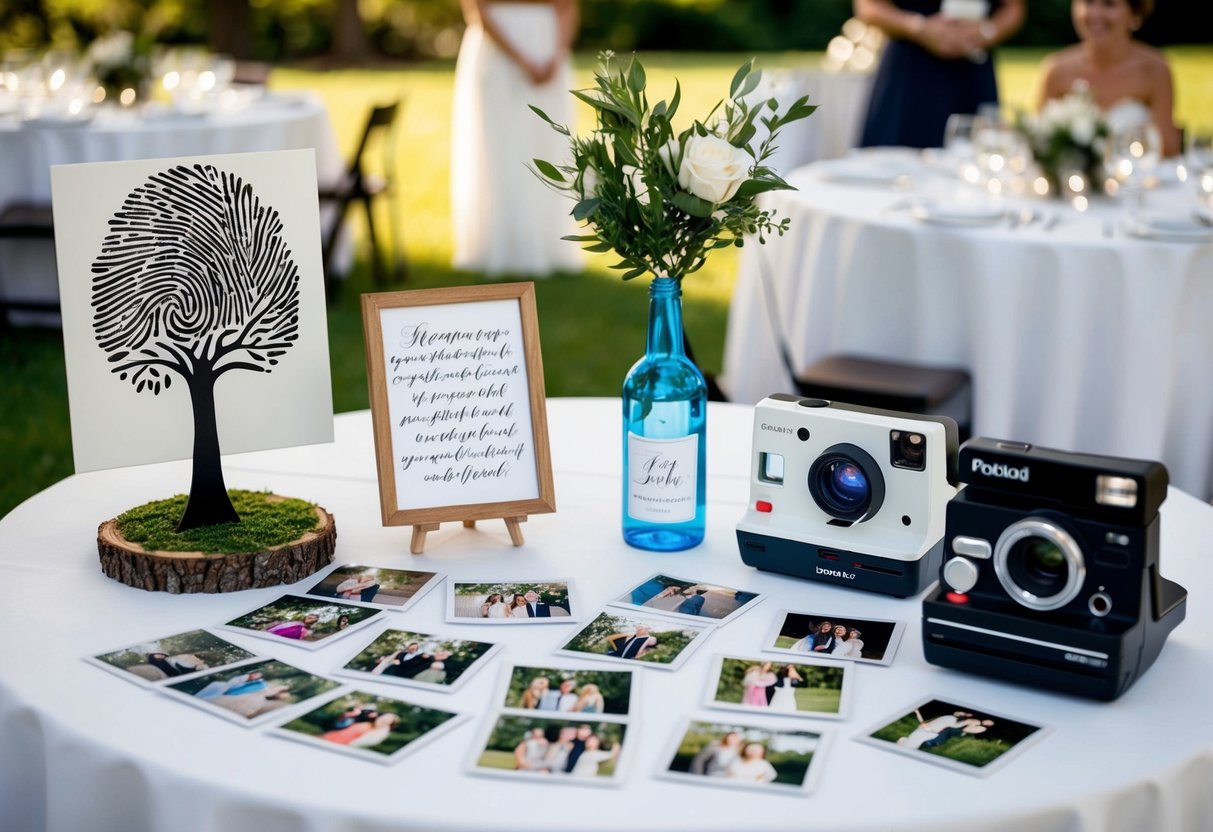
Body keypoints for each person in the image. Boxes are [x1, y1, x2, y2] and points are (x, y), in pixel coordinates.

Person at [449, 0, 585, 277]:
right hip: (499, 56)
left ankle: (551, 243)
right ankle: (500, 243)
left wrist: (556, 55)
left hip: (548, 51)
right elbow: (477, 8)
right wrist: (522, 59)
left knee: (548, 146)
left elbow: (567, 6)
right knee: (503, 148)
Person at [854, 0, 1026, 149]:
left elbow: (1013, 8)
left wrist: (985, 32)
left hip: (973, 71)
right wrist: (918, 27)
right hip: (908, 75)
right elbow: (869, 7)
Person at [1036, 0, 1179, 156]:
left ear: (1134, 14)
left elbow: (1169, 148)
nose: (1095, 14)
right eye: (1088, 2)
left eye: (1109, 4)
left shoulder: (1154, 71)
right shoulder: (1057, 71)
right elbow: (1037, 144)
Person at [322, 712, 400, 747]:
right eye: (384, 717)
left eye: (387, 721)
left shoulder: (377, 733)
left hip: (335, 745)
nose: (383, 719)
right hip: (329, 736)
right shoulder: (368, 721)